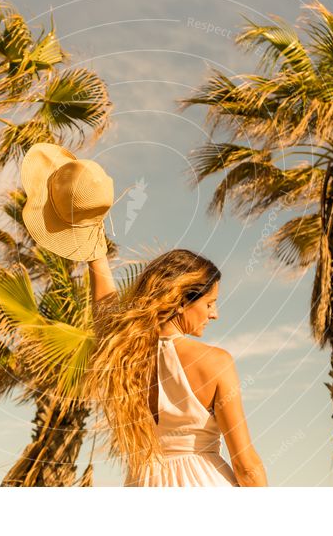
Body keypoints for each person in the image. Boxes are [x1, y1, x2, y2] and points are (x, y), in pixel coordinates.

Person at [19, 142, 267, 487]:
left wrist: (92, 244)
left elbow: (105, 303)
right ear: (182, 301)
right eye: (209, 303)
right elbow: (246, 465)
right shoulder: (216, 362)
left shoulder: (121, 353)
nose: (215, 314)